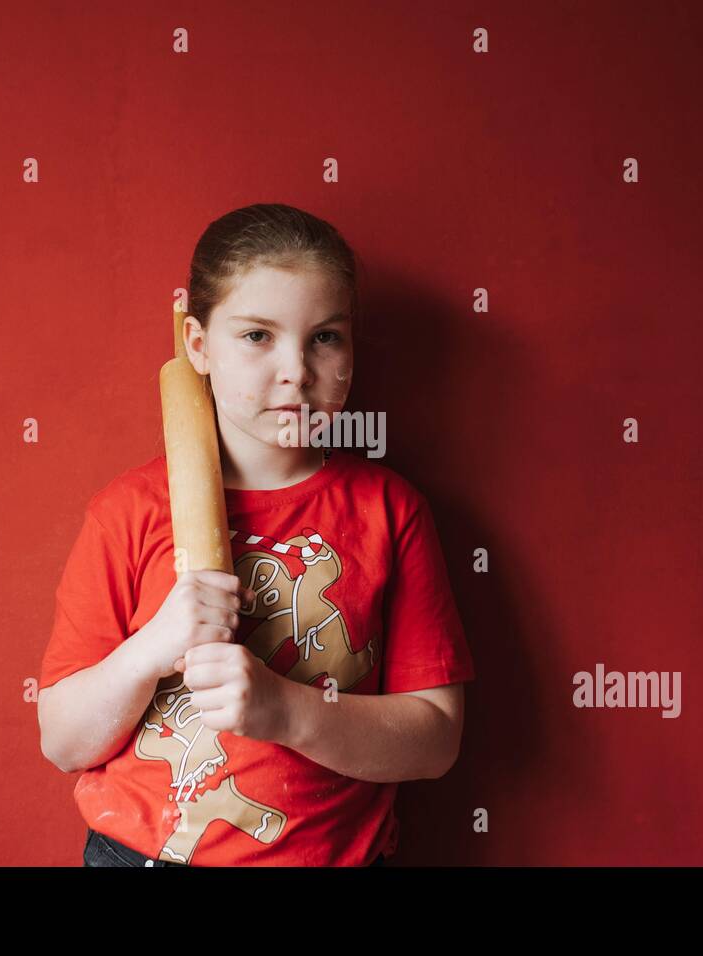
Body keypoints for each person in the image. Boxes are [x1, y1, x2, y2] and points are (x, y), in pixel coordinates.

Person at [37, 203, 476, 867]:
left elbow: (436, 741)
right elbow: (65, 744)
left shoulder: (391, 511)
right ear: (197, 344)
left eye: (325, 337)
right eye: (256, 336)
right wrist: (153, 646)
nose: (296, 370)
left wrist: (284, 711)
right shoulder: (125, 512)